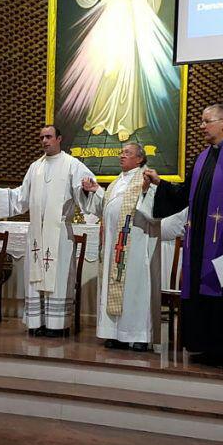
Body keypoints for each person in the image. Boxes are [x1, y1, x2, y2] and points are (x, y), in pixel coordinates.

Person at [144, 104, 223, 369]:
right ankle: (208, 347)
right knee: (203, 291)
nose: (201, 126)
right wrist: (161, 184)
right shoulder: (202, 158)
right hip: (200, 243)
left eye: (207, 121)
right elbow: (186, 193)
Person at [59, 0, 179, 142]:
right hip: (109, 22)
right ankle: (100, 118)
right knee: (108, 70)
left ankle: (126, 121)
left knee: (128, 70)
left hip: (130, 22)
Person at [0, 126, 95, 337]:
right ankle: (37, 322)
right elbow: (21, 198)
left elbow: (88, 190)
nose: (44, 141)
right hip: (37, 232)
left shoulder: (72, 165)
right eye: (41, 138)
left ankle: (57, 325)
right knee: (36, 277)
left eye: (48, 137)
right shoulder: (35, 167)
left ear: (59, 139)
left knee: (59, 277)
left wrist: (86, 189)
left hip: (60, 232)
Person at [81, 142, 160, 351]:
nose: (121, 156)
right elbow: (105, 207)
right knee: (113, 286)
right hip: (114, 246)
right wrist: (94, 191)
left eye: (127, 153)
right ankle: (114, 333)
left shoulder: (146, 178)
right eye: (121, 152)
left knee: (135, 289)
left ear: (140, 158)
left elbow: (154, 212)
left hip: (134, 244)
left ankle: (138, 336)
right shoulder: (117, 182)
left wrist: (145, 191)